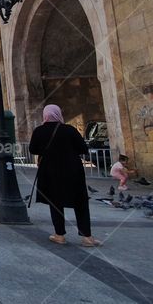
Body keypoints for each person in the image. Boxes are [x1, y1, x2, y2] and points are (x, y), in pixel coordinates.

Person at [30, 105, 100, 247]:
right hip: (72, 170)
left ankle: (59, 235)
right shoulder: (69, 130)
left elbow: (33, 149)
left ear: (45, 115)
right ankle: (87, 237)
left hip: (50, 171)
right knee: (80, 203)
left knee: (55, 203)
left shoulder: (39, 131)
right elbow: (83, 148)